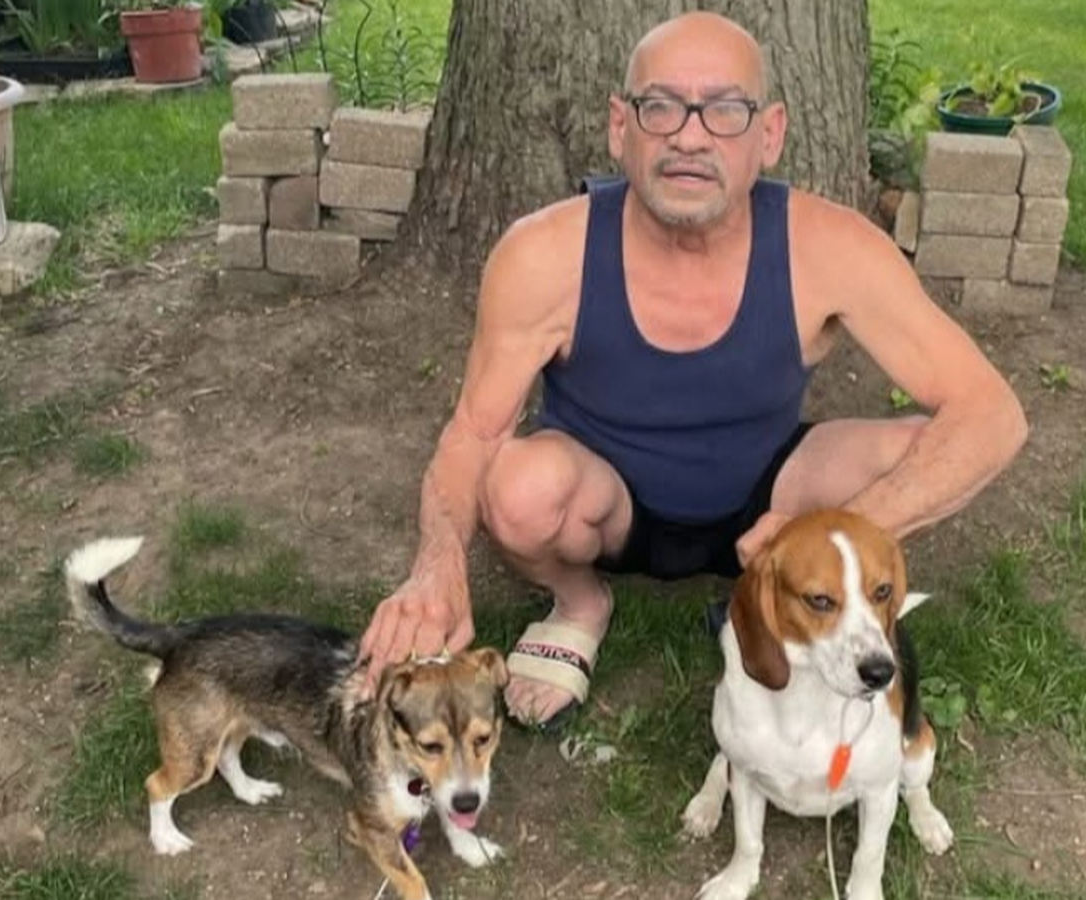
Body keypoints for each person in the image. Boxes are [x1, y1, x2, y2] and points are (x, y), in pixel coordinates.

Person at [358, 11, 1028, 726]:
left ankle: (799, 596)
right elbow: (473, 433)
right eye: (661, 106)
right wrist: (436, 568)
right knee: (517, 487)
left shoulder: (831, 247)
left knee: (920, 448)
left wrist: (834, 537)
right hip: (605, 503)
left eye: (726, 110)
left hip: (772, 494)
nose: (690, 136)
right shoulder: (543, 254)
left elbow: (992, 415)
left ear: (769, 134)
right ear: (621, 127)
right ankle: (580, 603)